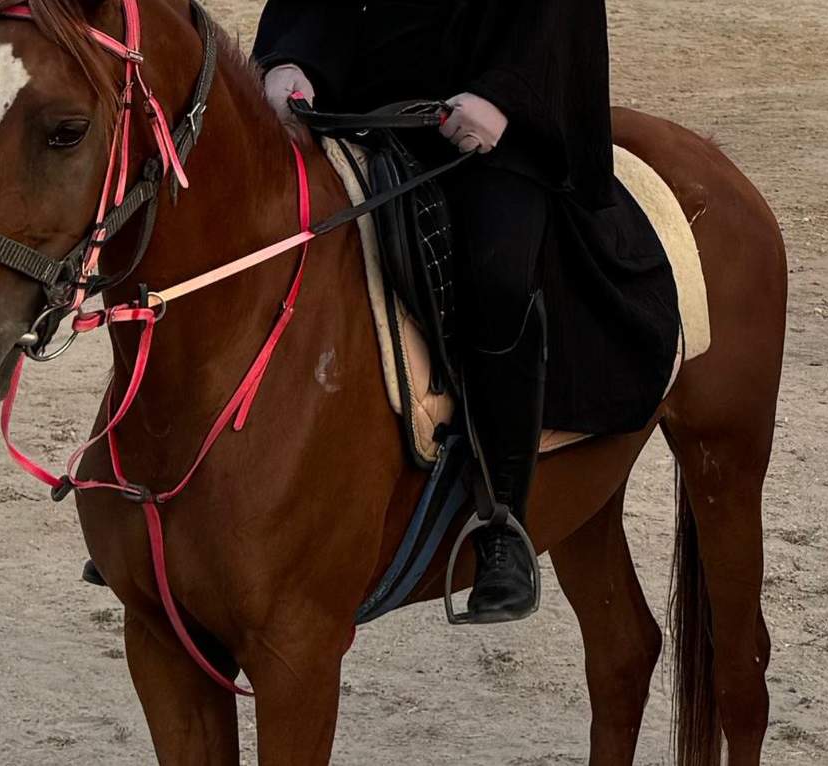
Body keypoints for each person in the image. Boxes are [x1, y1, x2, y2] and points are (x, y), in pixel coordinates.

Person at [250, 0, 623, 624]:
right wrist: (293, 57)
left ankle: (504, 523)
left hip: (489, 123)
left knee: (499, 276)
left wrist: (503, 96)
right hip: (355, 104)